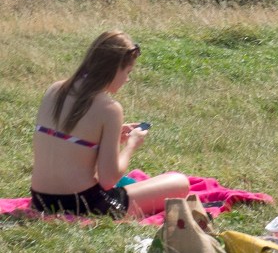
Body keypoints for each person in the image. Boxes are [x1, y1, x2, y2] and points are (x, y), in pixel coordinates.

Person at [30, 31, 190, 218]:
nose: (127, 79)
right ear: (114, 69)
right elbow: (107, 180)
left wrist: (108, 137)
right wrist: (131, 144)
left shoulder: (54, 90)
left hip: (40, 199)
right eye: (127, 72)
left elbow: (68, 148)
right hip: (84, 204)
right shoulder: (110, 109)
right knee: (179, 182)